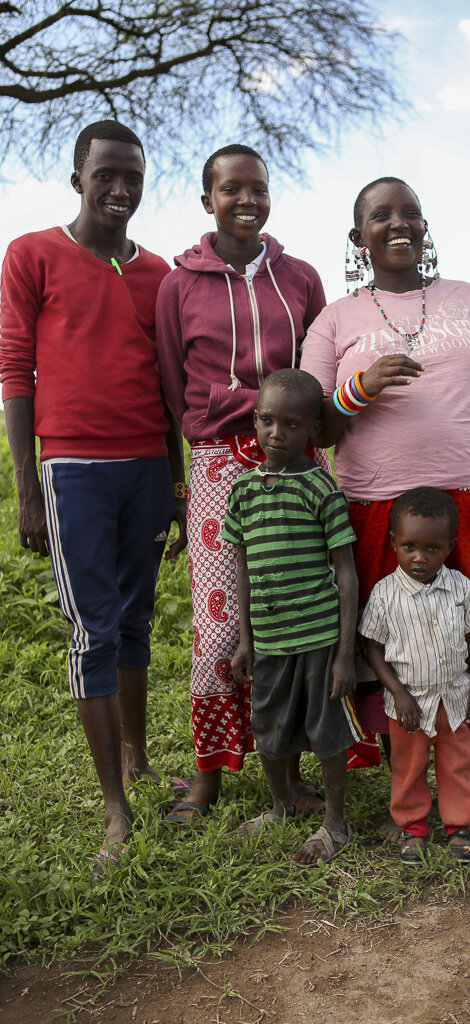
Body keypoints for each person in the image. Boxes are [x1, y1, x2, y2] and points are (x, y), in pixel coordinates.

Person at [301, 176, 470, 841]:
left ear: (424, 229)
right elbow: (312, 425)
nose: (399, 224)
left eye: (411, 214)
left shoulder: (467, 299)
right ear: (358, 238)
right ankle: (408, 797)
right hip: (377, 511)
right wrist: (357, 389)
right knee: (391, 649)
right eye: (381, 216)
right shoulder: (337, 319)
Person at [0, 120, 187, 870]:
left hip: (145, 465)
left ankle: (139, 761)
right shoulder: (32, 255)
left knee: (138, 620)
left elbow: (170, 389)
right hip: (73, 468)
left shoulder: (160, 274)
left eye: (132, 177)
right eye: (106, 174)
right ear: (78, 177)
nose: (120, 188)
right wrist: (26, 487)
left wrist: (176, 483)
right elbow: (16, 369)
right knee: (94, 630)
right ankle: (115, 805)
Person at [156, 145, 343, 824]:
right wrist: (234, 407)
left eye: (257, 188)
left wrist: (233, 397)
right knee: (218, 630)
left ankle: (289, 778)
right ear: (208, 199)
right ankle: (208, 777)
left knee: (290, 613)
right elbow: (183, 399)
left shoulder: (299, 277)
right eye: (230, 188)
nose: (246, 199)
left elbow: (316, 377)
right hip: (217, 468)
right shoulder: (178, 284)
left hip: (295, 463)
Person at [226, 369, 362, 865]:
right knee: (269, 726)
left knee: (325, 732)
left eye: (290, 424)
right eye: (266, 421)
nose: (275, 434)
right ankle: (281, 805)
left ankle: (335, 823)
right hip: (269, 639)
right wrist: (246, 639)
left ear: (312, 429)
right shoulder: (242, 491)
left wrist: (345, 654)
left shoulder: (320, 489)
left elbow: (345, 573)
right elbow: (241, 567)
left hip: (319, 638)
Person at [359, 488, 470, 864]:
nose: (420, 557)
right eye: (409, 546)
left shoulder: (460, 586)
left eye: (432, 549)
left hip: (455, 699)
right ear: (393, 542)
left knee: (458, 763)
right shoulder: (385, 594)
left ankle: (459, 827)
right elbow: (373, 649)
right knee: (408, 767)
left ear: (449, 546)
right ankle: (413, 828)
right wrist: (398, 693)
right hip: (408, 706)